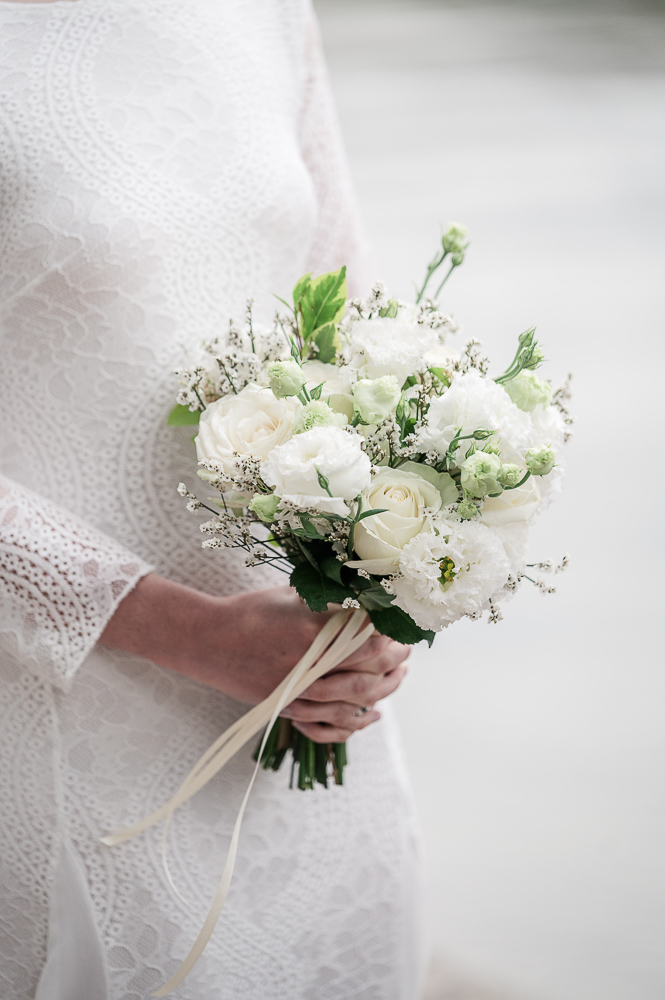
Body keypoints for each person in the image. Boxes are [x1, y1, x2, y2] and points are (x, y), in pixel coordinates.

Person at [0, 1, 425, 997]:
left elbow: (348, 306)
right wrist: (183, 628)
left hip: (308, 700)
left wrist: (391, 578)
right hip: (66, 724)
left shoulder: (264, 12)